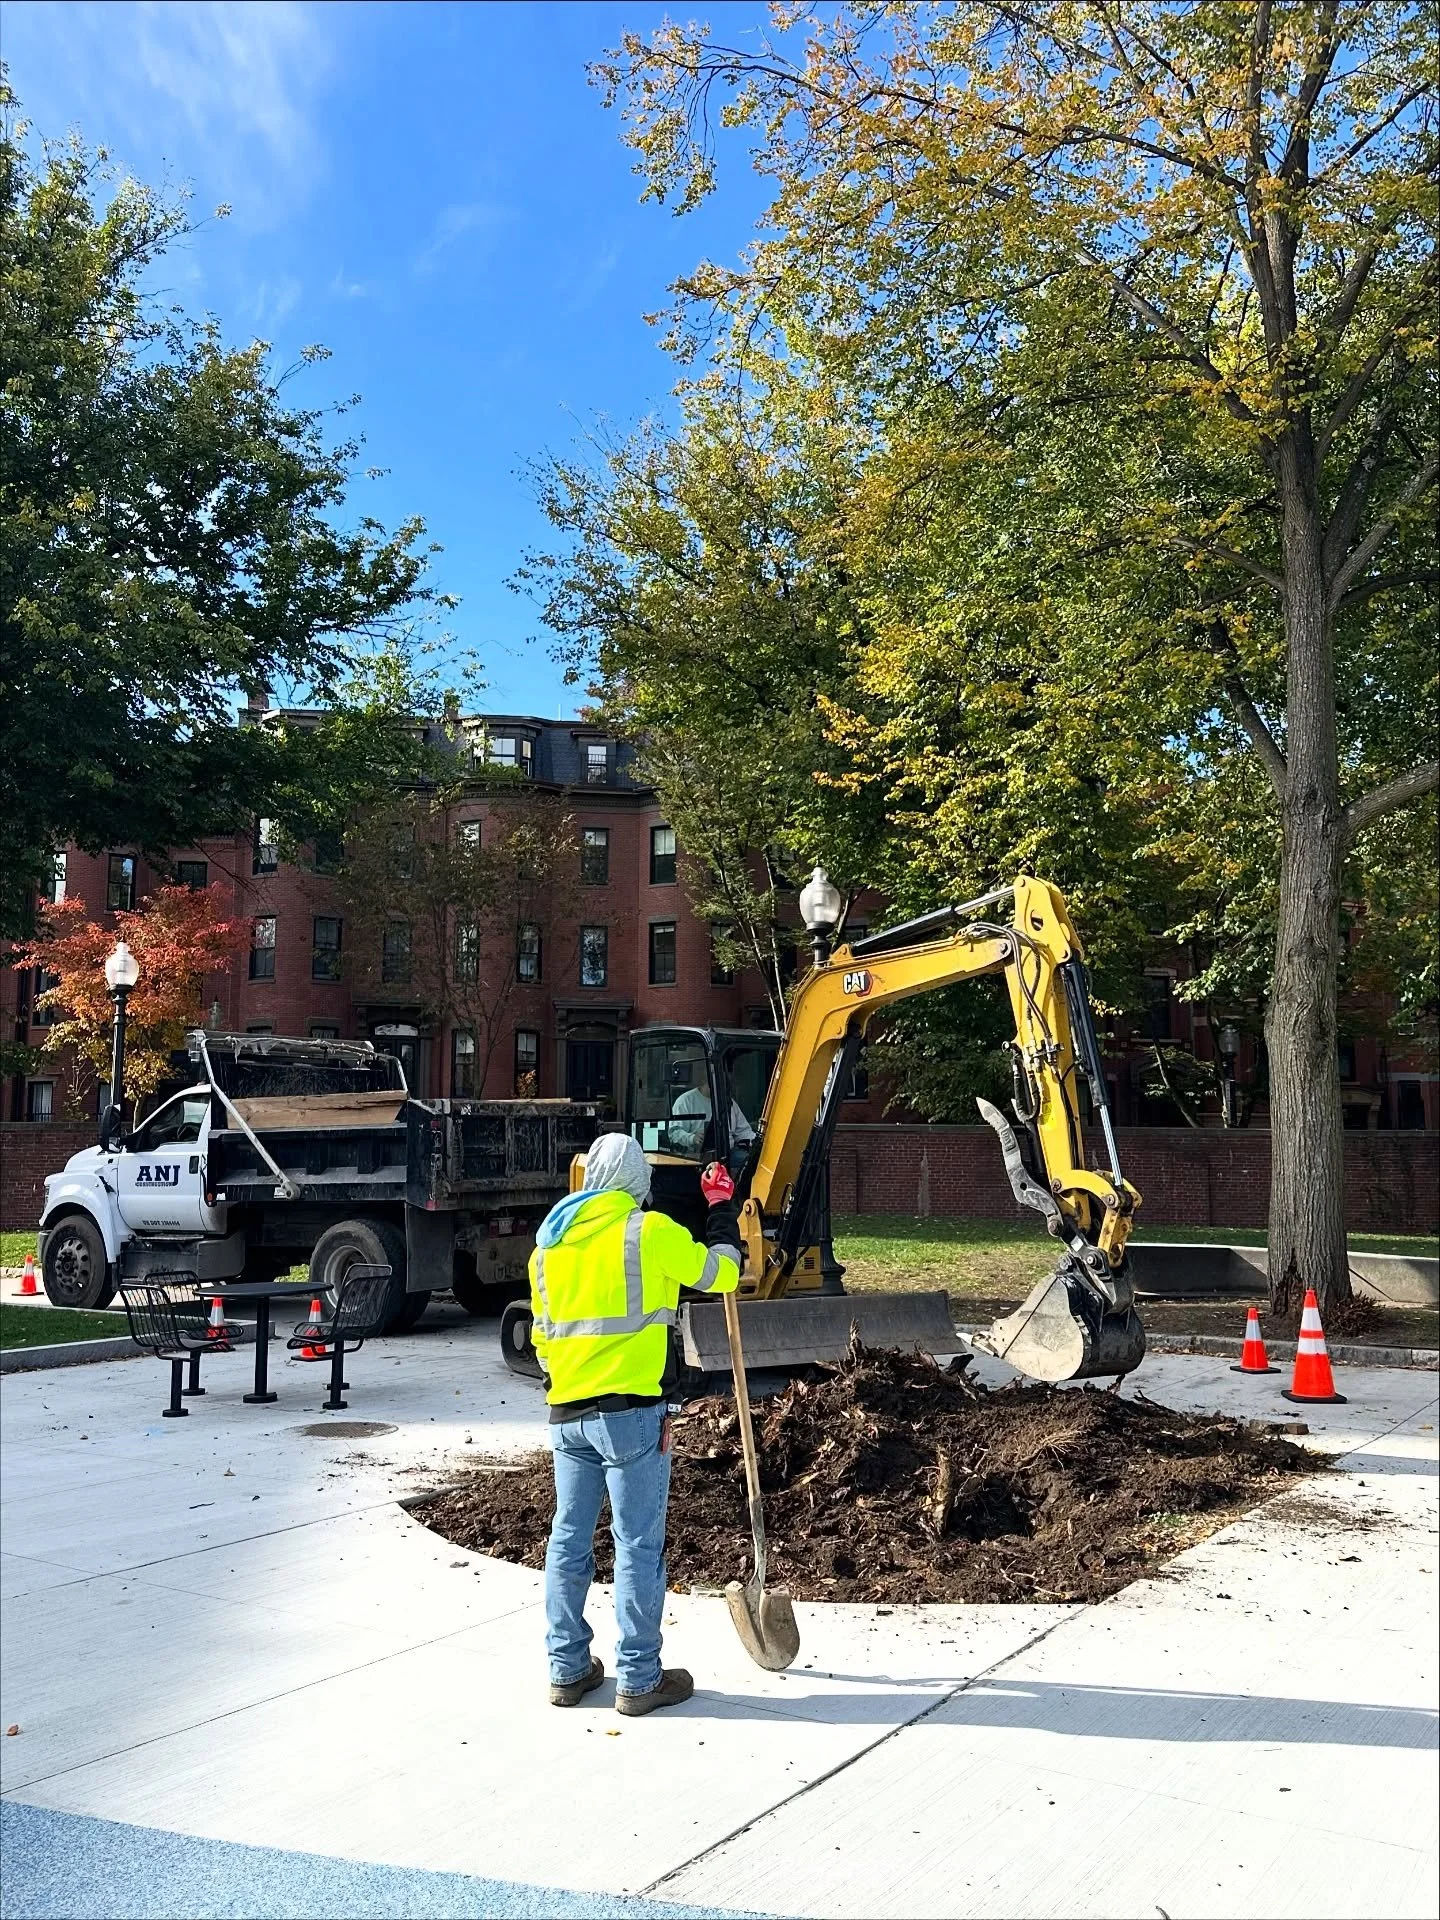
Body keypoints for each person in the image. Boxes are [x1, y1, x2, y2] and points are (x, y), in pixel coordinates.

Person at [530, 1131, 741, 1716]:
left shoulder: (548, 1245)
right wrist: (720, 1208)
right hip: (630, 1417)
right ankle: (639, 1679)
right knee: (638, 1545)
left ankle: (567, 1671)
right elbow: (721, 1273)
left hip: (566, 1415)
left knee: (568, 1542)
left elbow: (542, 1340)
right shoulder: (648, 1233)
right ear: (637, 1182)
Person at [670, 1080, 755, 1158]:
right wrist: (693, 1138)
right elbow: (674, 1133)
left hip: (727, 1154)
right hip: (696, 1155)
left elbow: (744, 1132)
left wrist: (758, 1143)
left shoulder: (728, 1102)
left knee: (749, 1160)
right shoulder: (686, 1101)